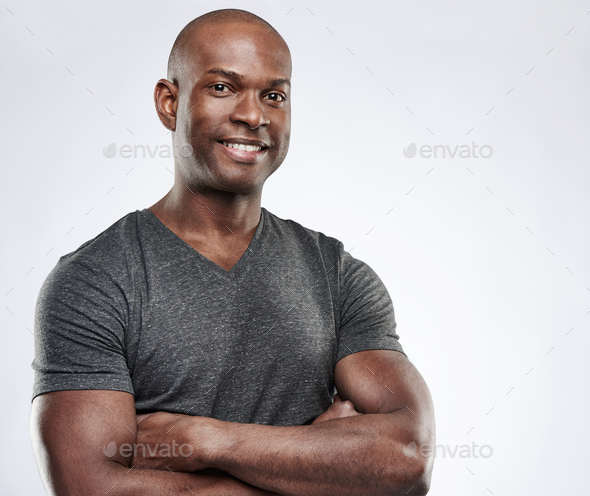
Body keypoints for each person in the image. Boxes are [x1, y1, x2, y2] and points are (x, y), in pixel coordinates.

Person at [30, 8, 435, 496]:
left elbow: (408, 461)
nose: (253, 115)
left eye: (274, 95)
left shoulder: (338, 277)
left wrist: (202, 441)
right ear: (168, 102)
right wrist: (322, 465)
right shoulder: (95, 281)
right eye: (222, 88)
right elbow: (90, 489)